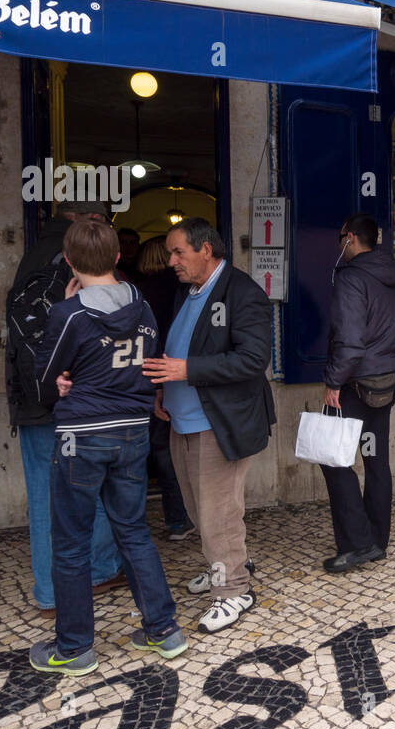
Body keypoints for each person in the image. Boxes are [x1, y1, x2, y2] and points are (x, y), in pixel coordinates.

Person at [29, 219, 187, 675]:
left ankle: (75, 647)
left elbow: (43, 381)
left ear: (71, 262)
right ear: (119, 258)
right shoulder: (141, 305)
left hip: (83, 435)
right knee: (133, 530)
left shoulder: (70, 314)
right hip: (132, 432)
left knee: (72, 543)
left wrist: (60, 380)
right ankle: (163, 629)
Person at [142, 217, 275, 632]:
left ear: (206, 250)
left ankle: (233, 589)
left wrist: (186, 370)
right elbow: (180, 348)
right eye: (170, 253)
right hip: (182, 420)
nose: (171, 261)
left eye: (178, 251)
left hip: (219, 424)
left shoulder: (244, 294)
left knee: (219, 514)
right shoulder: (190, 292)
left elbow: (254, 360)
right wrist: (166, 388)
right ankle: (224, 566)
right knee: (200, 509)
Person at [5, 200, 125, 618]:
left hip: (38, 400)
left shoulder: (38, 253)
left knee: (54, 493)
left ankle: (79, 577)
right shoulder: (62, 261)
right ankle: (70, 585)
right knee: (70, 491)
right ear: (88, 222)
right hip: (58, 401)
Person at [319, 213, 395, 572]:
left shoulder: (352, 279)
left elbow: (349, 340)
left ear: (350, 238)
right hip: (385, 383)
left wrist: (333, 381)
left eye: (340, 237)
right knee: (375, 460)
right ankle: (377, 539)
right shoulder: (392, 275)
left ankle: (358, 544)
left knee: (334, 459)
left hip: (353, 386)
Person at [134, 236, 194, 542]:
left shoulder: (137, 293)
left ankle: (143, 524)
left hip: (145, 373)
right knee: (172, 450)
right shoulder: (183, 290)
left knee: (148, 450)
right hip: (174, 371)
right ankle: (180, 518)